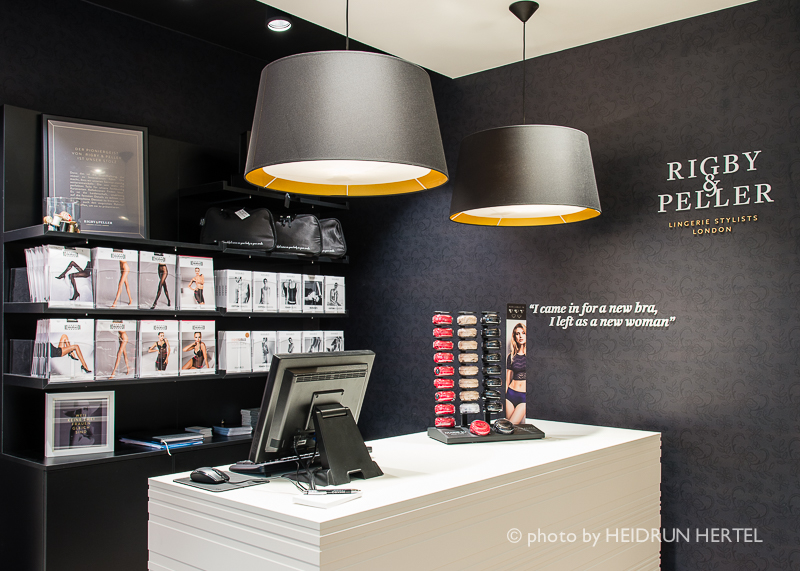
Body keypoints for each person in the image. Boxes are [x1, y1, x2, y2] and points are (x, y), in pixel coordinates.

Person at [505, 322, 527, 424]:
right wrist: (505, 396)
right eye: (517, 334)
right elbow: (507, 379)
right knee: (508, 427)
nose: (520, 336)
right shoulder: (511, 356)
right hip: (510, 394)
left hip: (524, 396)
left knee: (512, 425)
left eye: (523, 333)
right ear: (515, 337)